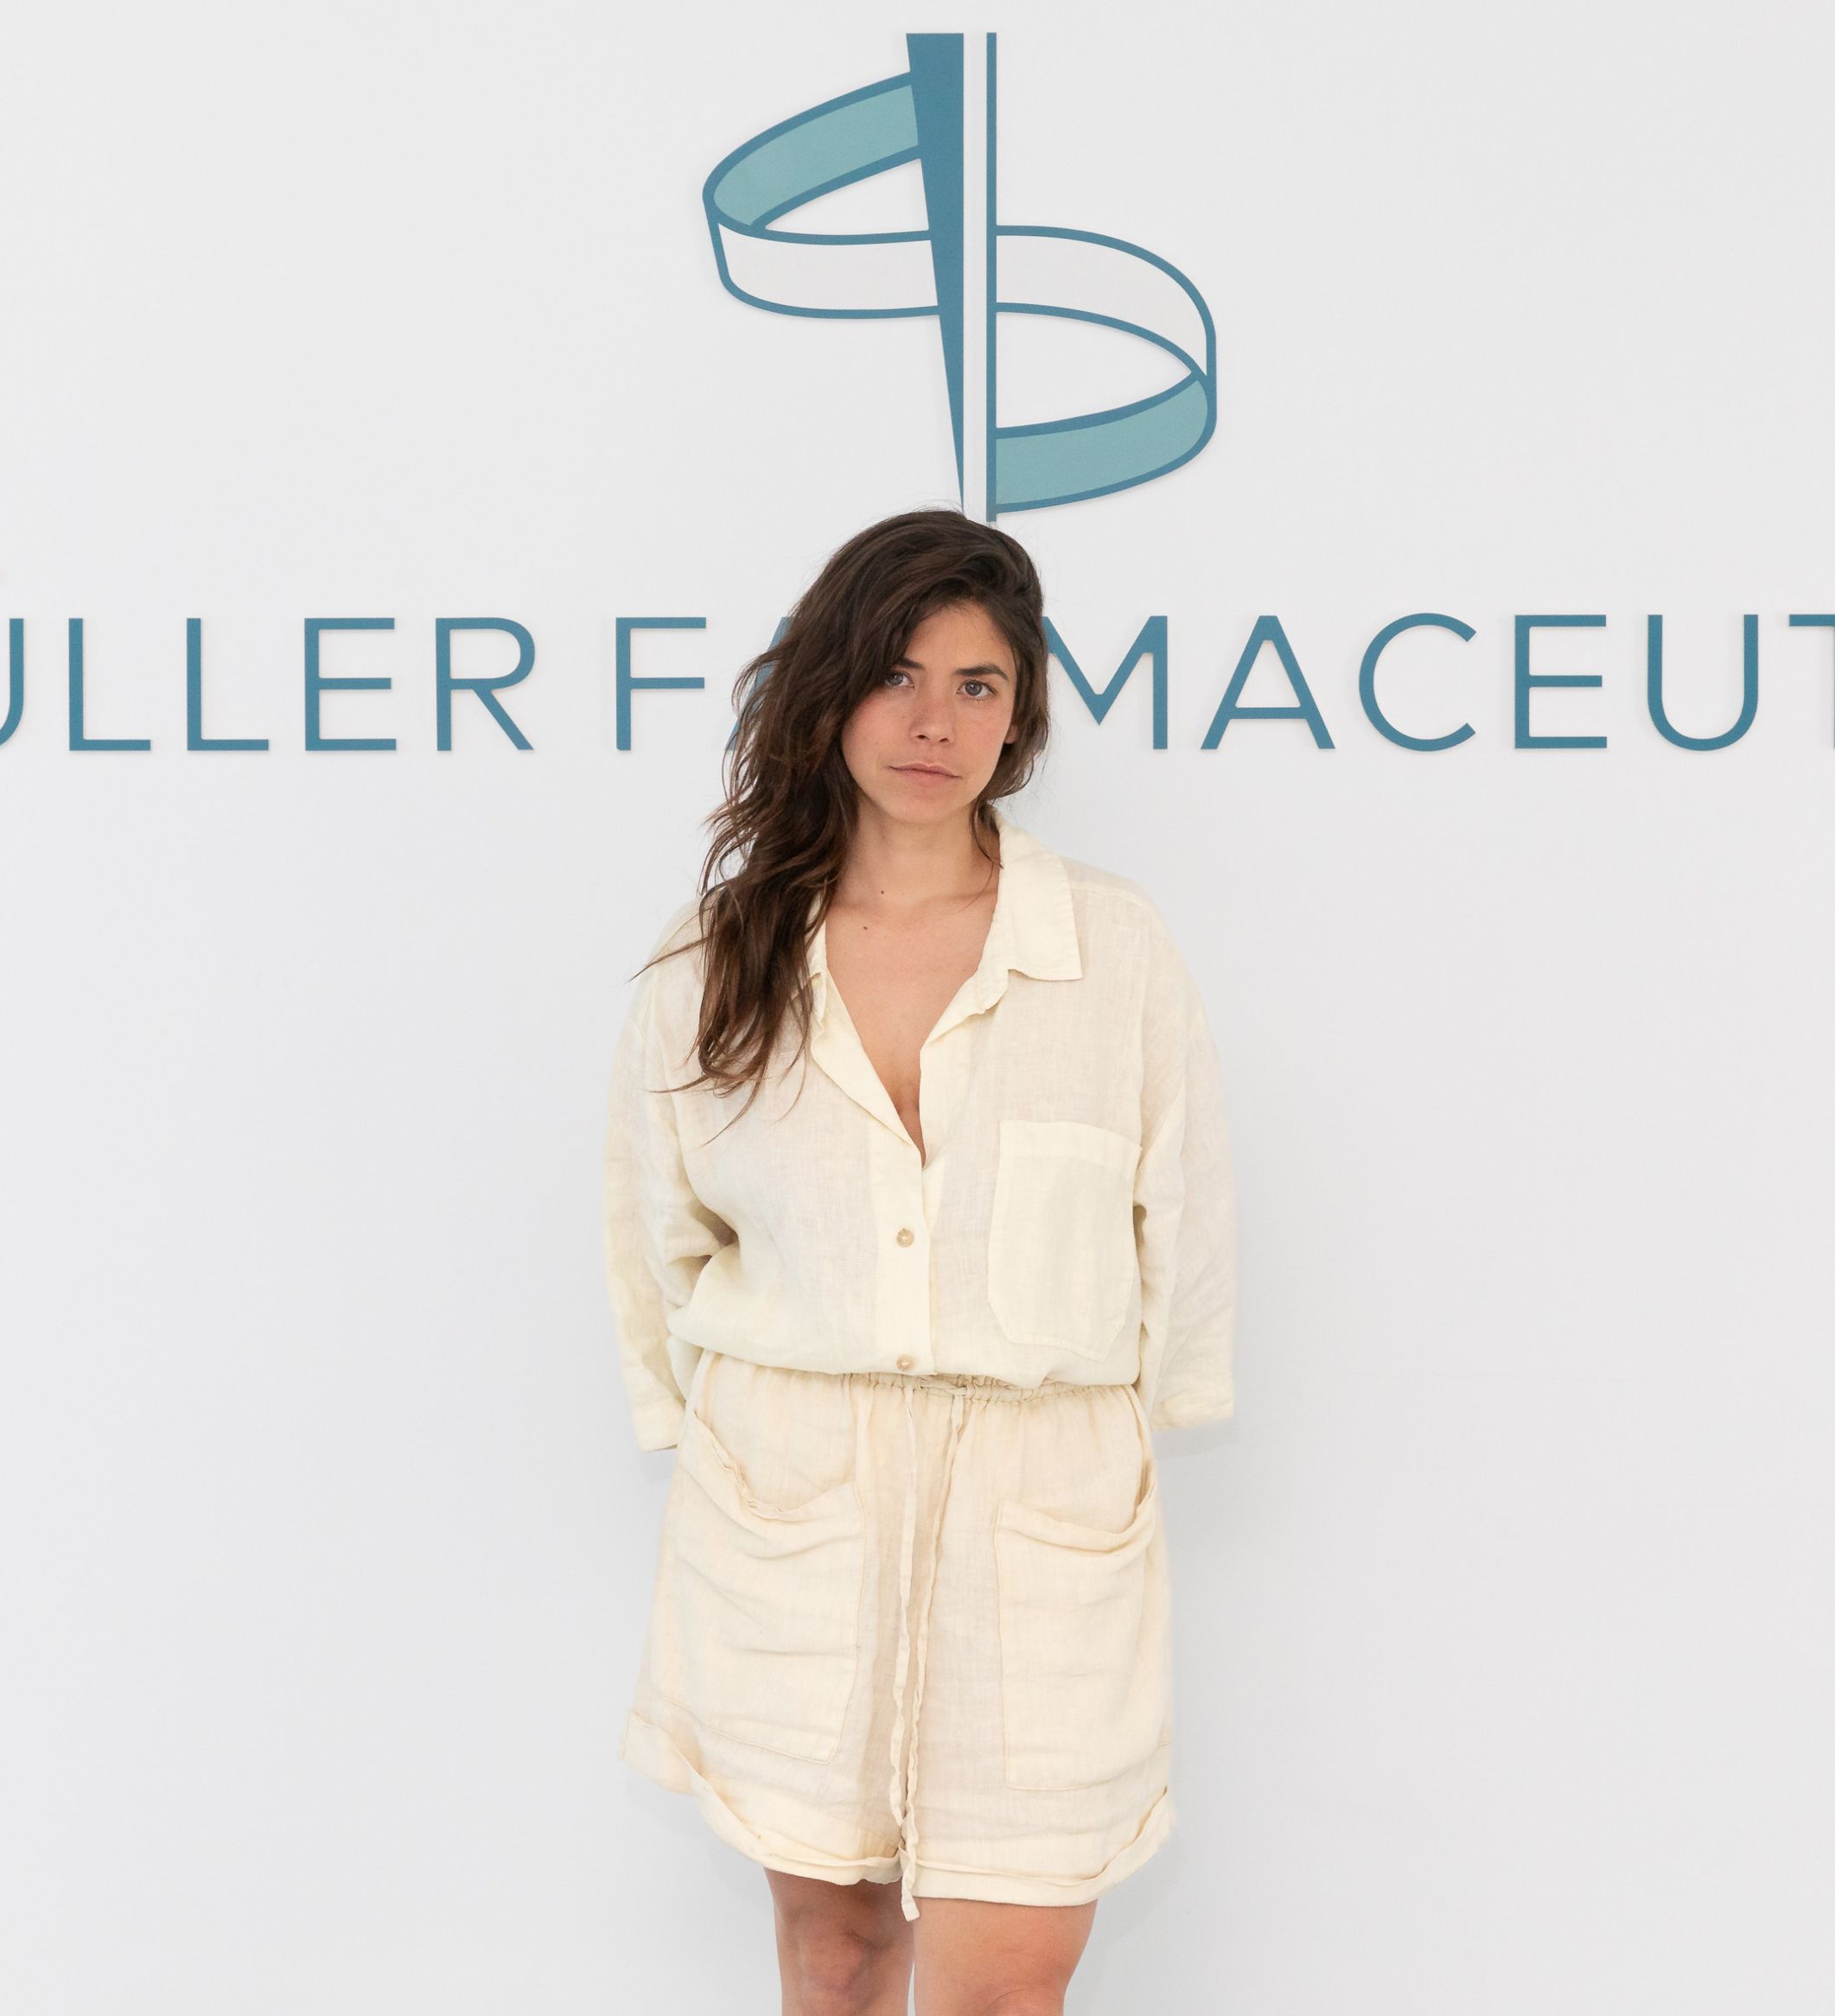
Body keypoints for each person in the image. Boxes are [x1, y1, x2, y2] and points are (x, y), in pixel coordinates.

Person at [600, 507, 1237, 2016]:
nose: (933, 720)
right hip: (792, 1501)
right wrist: (739, 1426)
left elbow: (1187, 1221)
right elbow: (658, 1235)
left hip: (1038, 1504)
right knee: (834, 1956)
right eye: (896, 673)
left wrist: (1131, 1418)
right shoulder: (718, 958)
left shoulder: (1112, 949)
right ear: (828, 690)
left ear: (1021, 718)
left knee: (1007, 1984)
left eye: (977, 683)